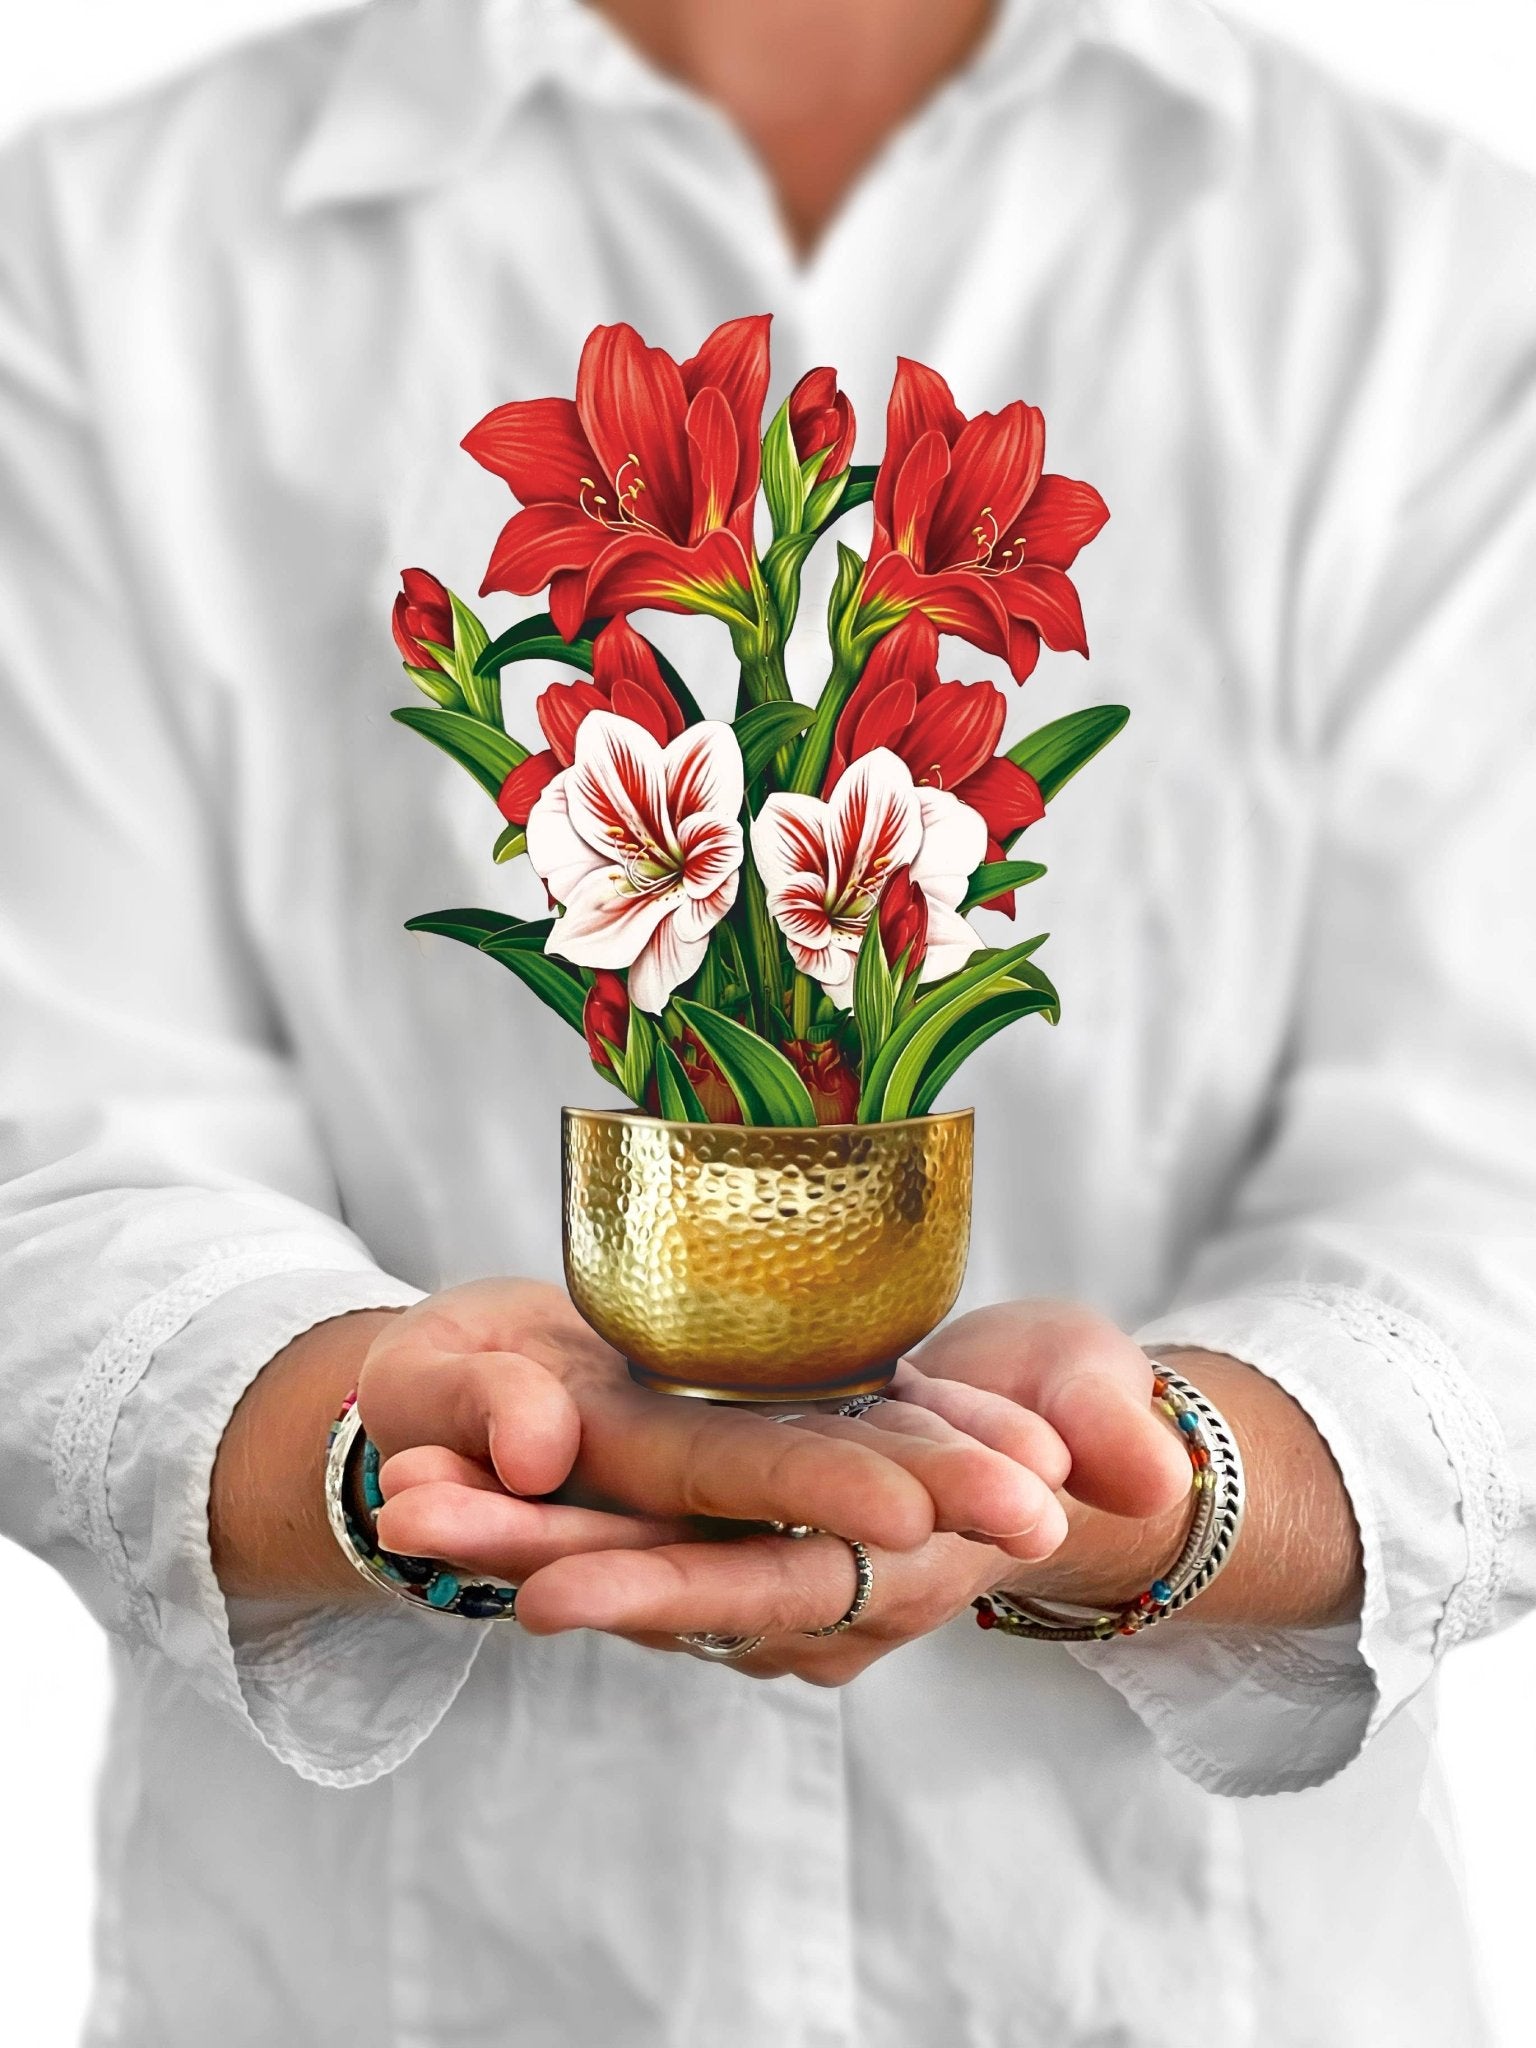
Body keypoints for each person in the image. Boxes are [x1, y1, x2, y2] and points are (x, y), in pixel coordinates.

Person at [1, 0, 1533, 2040]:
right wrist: (375, 1449)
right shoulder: (101, 251)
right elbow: (59, 1153)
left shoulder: (1429, 266)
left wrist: (1174, 1495)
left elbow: (1494, 1174)